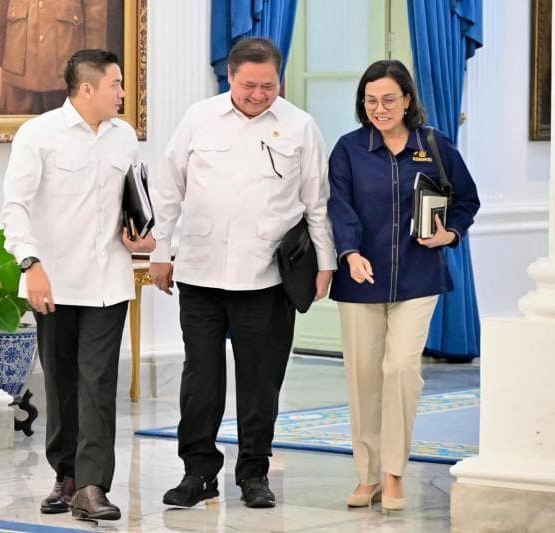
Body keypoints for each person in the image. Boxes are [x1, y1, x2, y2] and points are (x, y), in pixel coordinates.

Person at [149, 37, 337, 509]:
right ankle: (197, 472)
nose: (258, 95)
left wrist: (326, 263)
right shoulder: (199, 118)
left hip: (267, 277)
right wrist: (160, 251)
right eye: (249, 85)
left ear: (280, 80)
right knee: (200, 380)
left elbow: (316, 202)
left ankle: (254, 473)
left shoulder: (301, 126)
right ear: (230, 77)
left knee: (261, 382)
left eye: (268, 86)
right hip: (201, 272)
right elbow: (169, 189)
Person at [1, 48, 155, 521]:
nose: (123, 93)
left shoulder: (124, 137)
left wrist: (143, 237)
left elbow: (137, 201)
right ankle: (65, 477)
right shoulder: (38, 135)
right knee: (62, 382)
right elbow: (15, 206)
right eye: (116, 84)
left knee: (98, 383)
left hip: (109, 283)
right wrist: (30, 264)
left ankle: (92, 486)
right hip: (54, 282)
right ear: (87, 89)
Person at [327, 59, 480, 511]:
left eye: (389, 99)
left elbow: (467, 200)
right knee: (363, 378)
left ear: (408, 100)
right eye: (371, 100)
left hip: (419, 276)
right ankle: (368, 475)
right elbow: (339, 208)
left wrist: (449, 234)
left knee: (399, 368)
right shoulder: (348, 149)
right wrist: (349, 253)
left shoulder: (434, 145)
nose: (380, 108)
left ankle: (394, 472)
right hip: (360, 279)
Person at [0, 0, 107, 115]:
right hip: (16, 69)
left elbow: (95, 12)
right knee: (15, 126)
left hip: (67, 70)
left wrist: (93, 69)